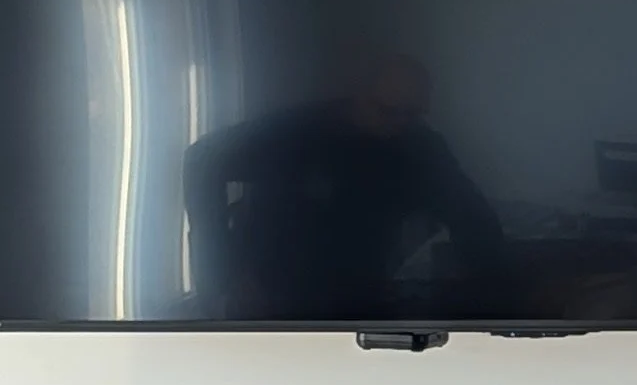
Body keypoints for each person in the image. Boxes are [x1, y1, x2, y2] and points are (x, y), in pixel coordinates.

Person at [184, 54, 505, 321]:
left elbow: (470, 215)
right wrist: (221, 275)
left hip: (355, 300)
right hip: (271, 295)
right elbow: (202, 160)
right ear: (360, 94)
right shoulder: (293, 132)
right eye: (387, 111)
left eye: (412, 114)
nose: (399, 124)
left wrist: (498, 289)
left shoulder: (420, 146)